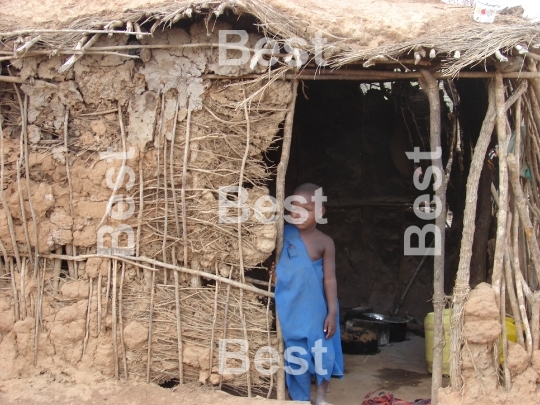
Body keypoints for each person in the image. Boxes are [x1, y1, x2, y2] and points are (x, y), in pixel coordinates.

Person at [272, 183, 343, 405]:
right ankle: (301, 399)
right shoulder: (283, 234)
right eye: (294, 206)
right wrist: (276, 275)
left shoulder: (325, 242)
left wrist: (332, 312)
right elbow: (281, 267)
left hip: (317, 311)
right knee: (296, 356)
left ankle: (321, 397)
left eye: (308, 208)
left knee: (323, 352)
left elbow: (329, 279)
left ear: (321, 212)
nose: (299, 213)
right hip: (291, 310)